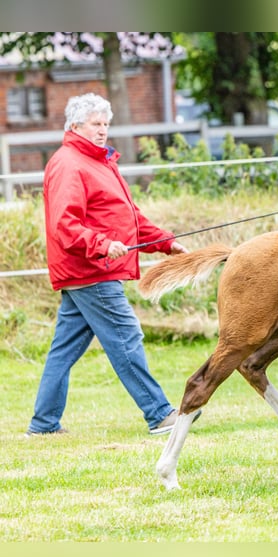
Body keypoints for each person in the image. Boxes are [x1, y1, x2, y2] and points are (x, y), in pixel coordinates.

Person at [25, 93, 201, 437]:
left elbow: (128, 217)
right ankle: (159, 414)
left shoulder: (99, 161)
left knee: (64, 350)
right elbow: (65, 224)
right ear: (75, 126)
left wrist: (165, 242)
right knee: (126, 336)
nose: (103, 130)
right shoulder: (69, 164)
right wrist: (103, 245)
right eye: (95, 124)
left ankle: (43, 425)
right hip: (91, 271)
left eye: (106, 124)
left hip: (90, 271)